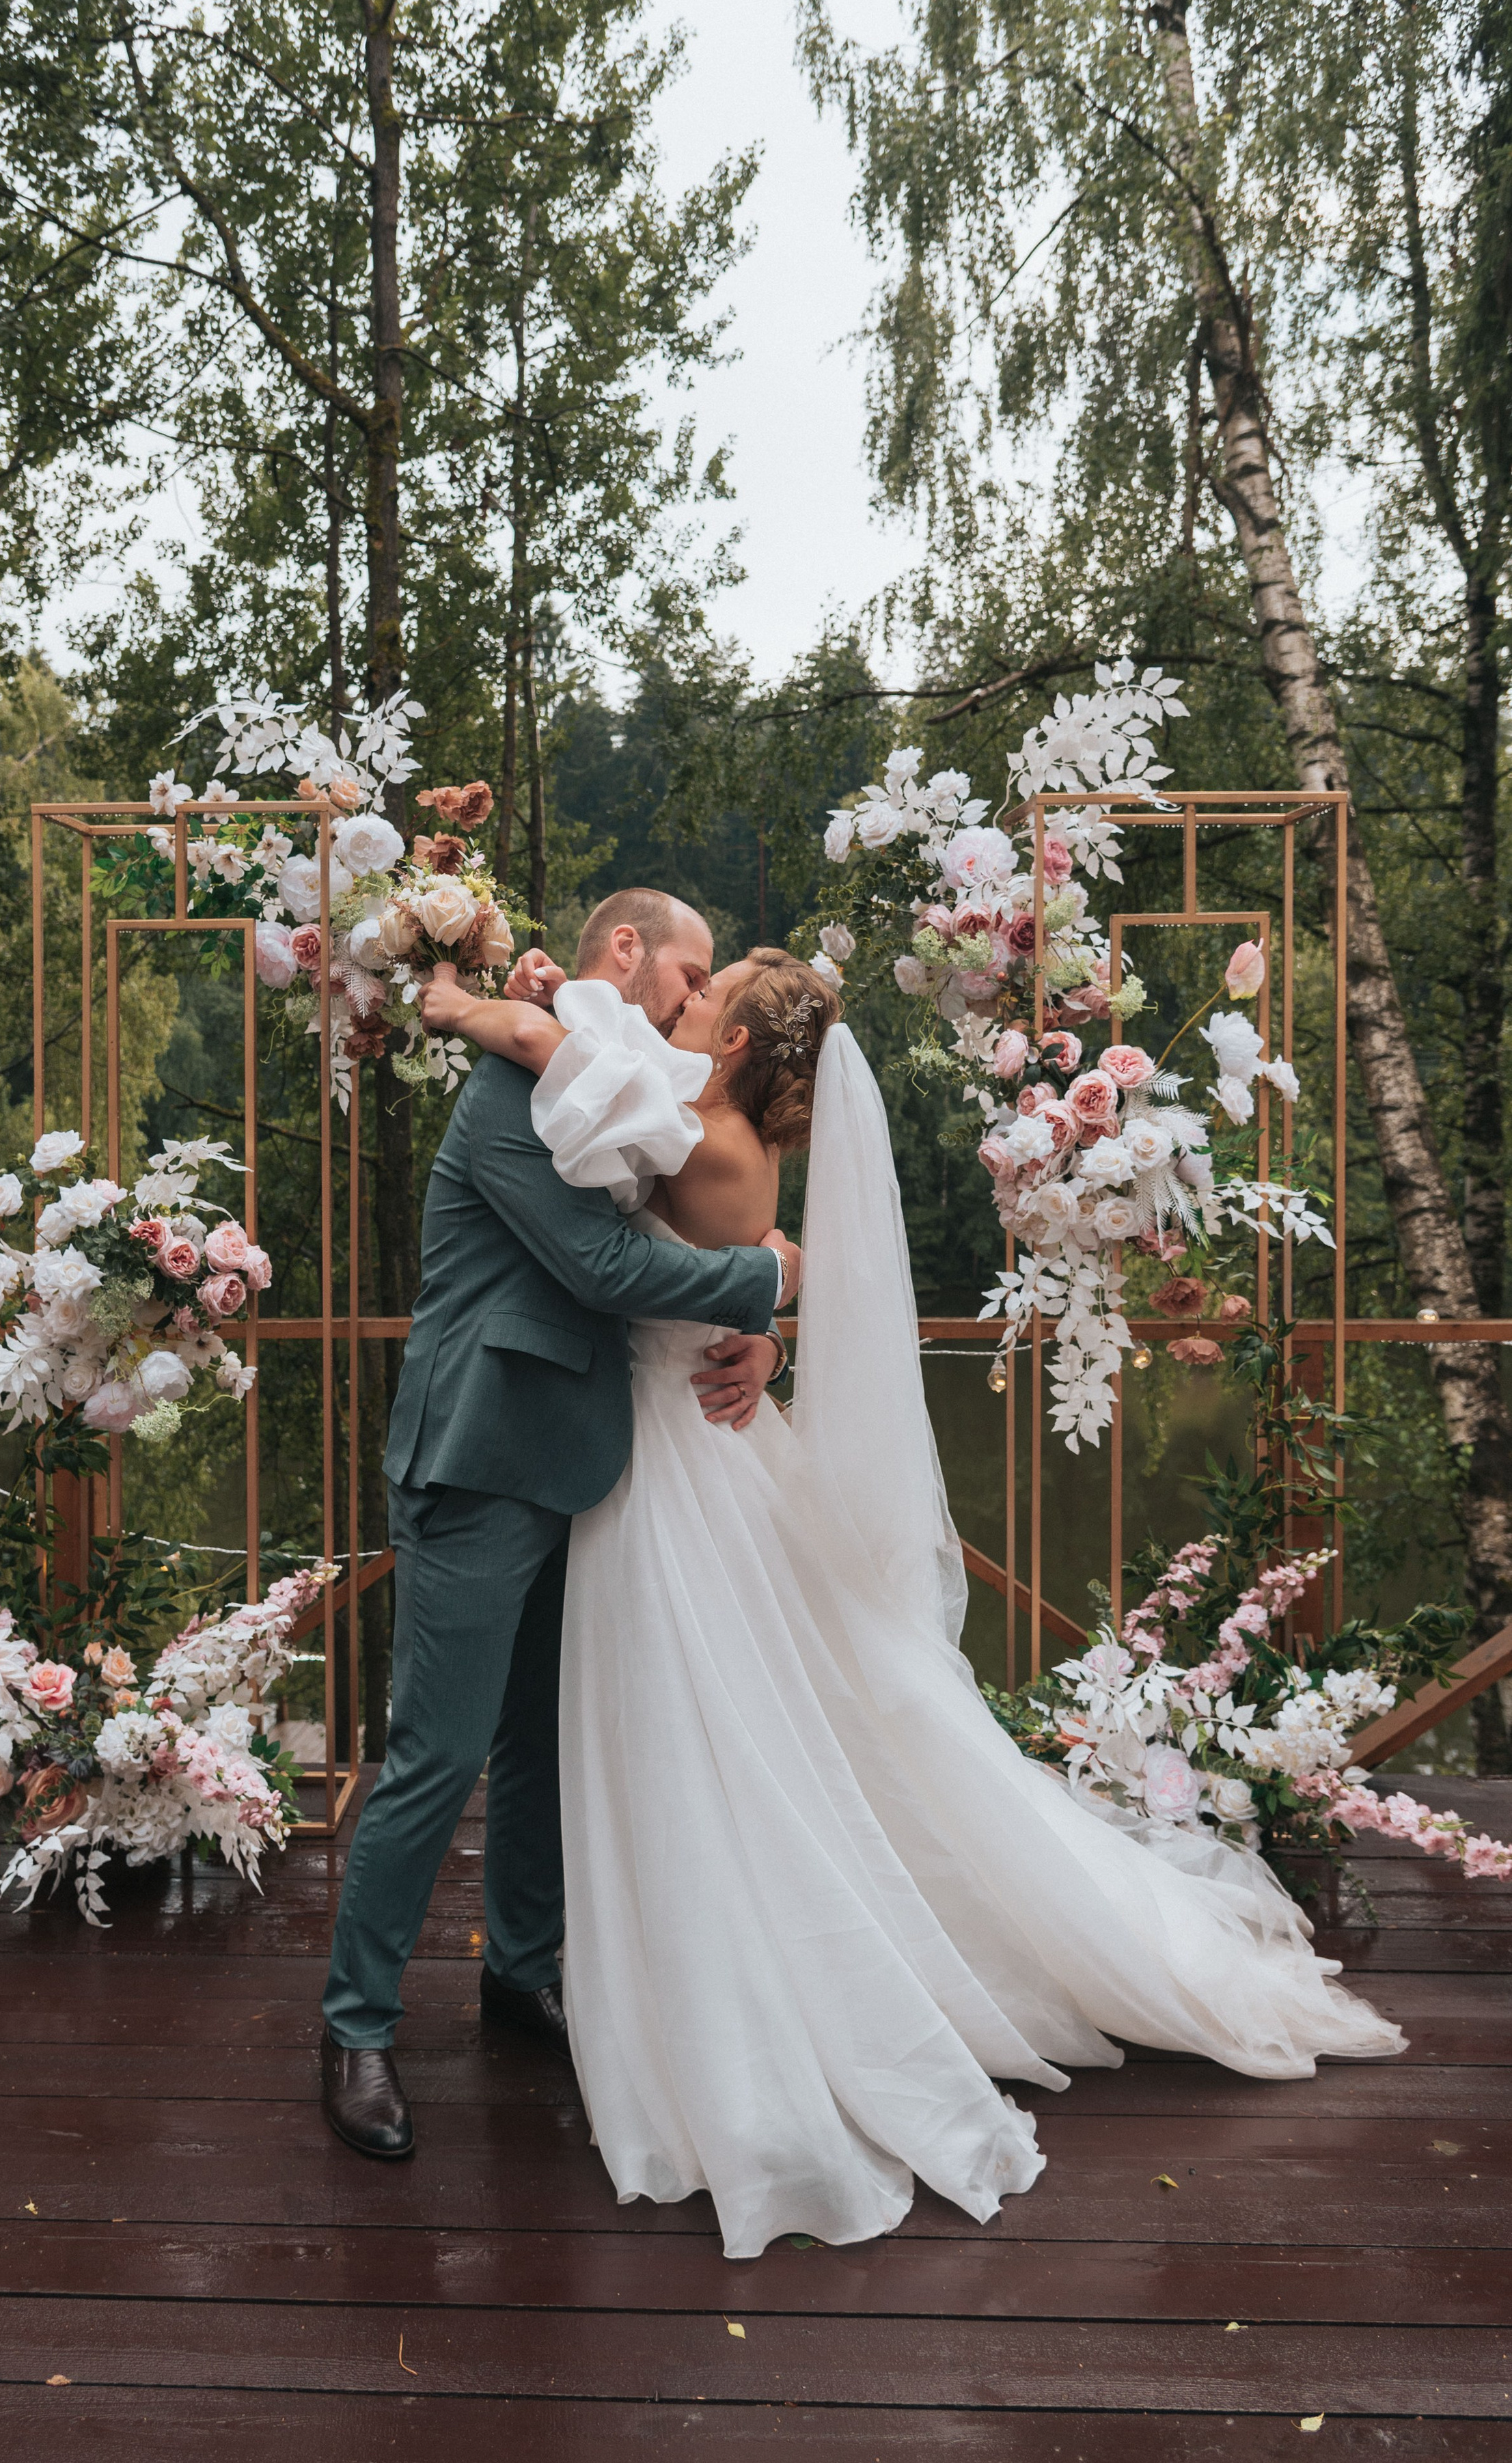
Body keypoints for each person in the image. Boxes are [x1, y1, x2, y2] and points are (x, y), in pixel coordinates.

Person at [424, 937, 1404, 2260]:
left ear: (724, 1046)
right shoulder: (713, 1129)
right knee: (745, 1707)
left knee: (694, 1717)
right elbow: (762, 1236)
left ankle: (696, 1982)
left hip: (668, 1465)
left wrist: (455, 1001)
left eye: (703, 993)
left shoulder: (691, 1137)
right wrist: (777, 1290)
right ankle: (581, 1964)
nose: (682, 996)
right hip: (682, 1444)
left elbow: (579, 1105)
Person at [317, 891, 801, 2162]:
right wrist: (769, 1283)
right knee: (436, 1752)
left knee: (536, 1744)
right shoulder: (514, 1084)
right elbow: (606, 1269)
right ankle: (357, 2026)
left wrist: (759, 1311)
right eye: (688, 972)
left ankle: (518, 1971)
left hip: (580, 1460)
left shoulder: (607, 1078)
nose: (697, 1001)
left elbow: (691, 1210)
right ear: (626, 954)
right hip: (479, 1459)